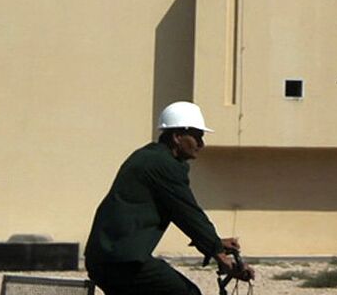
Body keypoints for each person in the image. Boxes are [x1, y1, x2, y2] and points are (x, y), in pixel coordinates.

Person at [85, 101, 252, 294]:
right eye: (197, 137)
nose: (201, 144)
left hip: (108, 258)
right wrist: (220, 255)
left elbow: (181, 213)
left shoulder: (149, 157)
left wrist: (215, 242)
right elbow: (188, 213)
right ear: (177, 137)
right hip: (122, 261)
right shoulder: (162, 165)